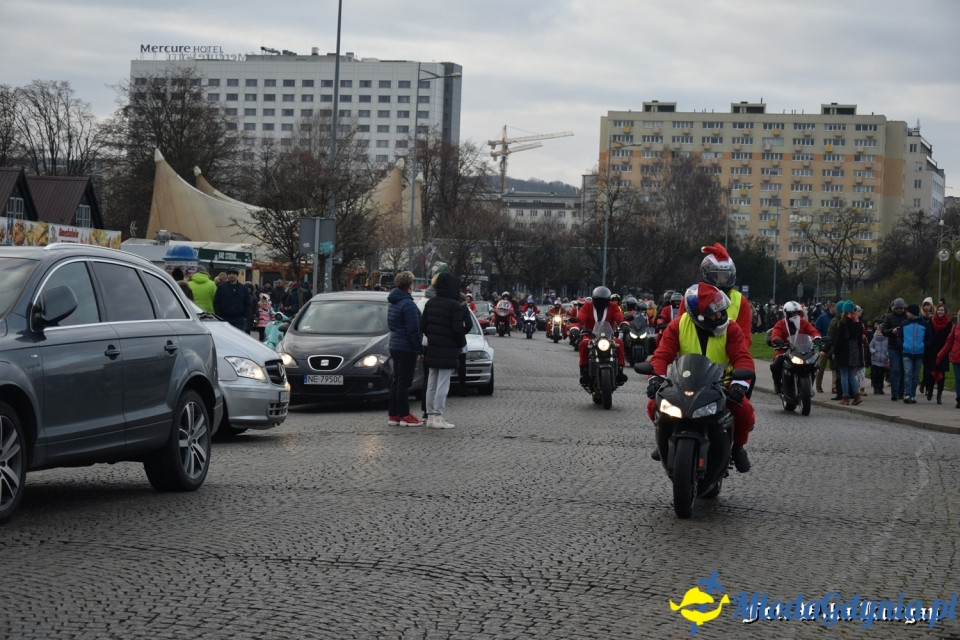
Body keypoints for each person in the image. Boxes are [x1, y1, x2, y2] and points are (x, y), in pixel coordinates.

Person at [647, 283, 755, 472]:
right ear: (698, 315)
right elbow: (662, 355)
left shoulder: (731, 328)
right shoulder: (678, 325)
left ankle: (738, 447)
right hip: (684, 381)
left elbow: (742, 357)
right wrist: (656, 378)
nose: (720, 316)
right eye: (714, 313)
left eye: (721, 311)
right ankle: (663, 438)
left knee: (744, 411)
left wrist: (739, 385)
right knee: (653, 405)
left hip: (721, 383)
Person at [678, 243, 752, 347]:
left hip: (726, 360)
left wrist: (738, 355)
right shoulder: (691, 297)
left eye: (726, 277)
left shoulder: (741, 301)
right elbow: (679, 328)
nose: (722, 281)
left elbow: (745, 337)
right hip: (692, 359)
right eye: (716, 276)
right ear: (706, 275)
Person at [420, 271, 468, 429]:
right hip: (448, 349)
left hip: (433, 347)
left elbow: (423, 326)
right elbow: (458, 330)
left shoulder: (431, 302)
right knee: (443, 383)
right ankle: (439, 416)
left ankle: (431, 416)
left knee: (431, 383)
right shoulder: (453, 305)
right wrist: (459, 343)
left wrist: (433, 336)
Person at [387, 271, 424, 427]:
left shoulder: (394, 302)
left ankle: (394, 414)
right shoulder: (408, 304)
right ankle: (404, 414)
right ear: (410, 285)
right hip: (406, 347)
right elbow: (413, 329)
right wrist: (419, 350)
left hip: (395, 344)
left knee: (396, 381)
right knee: (404, 382)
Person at [576, 286, 627, 387]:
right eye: (598, 300)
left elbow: (619, 316)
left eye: (603, 301)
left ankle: (620, 371)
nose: (601, 303)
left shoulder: (613, 306)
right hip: (590, 335)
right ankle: (585, 372)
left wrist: (624, 324)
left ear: (608, 300)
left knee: (619, 343)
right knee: (583, 344)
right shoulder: (587, 306)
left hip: (608, 335)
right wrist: (575, 328)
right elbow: (580, 318)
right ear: (594, 299)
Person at [769, 300, 821, 395]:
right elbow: (775, 333)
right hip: (785, 350)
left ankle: (809, 385)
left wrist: (817, 338)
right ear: (787, 314)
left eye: (797, 313)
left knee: (814, 365)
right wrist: (777, 340)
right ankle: (777, 385)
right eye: (792, 313)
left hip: (802, 350)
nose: (795, 315)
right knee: (775, 365)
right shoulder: (780, 324)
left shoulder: (803, 323)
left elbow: (812, 330)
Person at [831, 301, 866, 405]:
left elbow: (839, 339)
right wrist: (859, 351)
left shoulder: (843, 323)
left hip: (844, 350)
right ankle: (857, 395)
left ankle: (845, 397)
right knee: (852, 375)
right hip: (854, 349)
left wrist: (835, 351)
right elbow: (860, 339)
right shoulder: (858, 322)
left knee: (844, 374)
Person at [900, 303, 929, 404]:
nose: (906, 313)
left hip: (919, 352)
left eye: (908, 311)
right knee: (908, 373)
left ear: (912, 313)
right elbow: (899, 337)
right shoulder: (904, 324)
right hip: (907, 352)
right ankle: (907, 394)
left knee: (915, 375)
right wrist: (903, 344)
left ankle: (912, 394)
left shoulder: (924, 324)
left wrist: (923, 345)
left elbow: (929, 337)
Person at [922, 302, 951, 403]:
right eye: (938, 310)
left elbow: (949, 337)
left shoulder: (949, 323)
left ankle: (939, 395)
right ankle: (929, 390)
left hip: (943, 350)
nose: (940, 312)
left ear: (945, 312)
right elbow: (928, 334)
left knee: (941, 374)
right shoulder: (931, 321)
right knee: (931, 373)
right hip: (932, 350)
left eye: (942, 310)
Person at [881, 298, 908, 401]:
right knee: (895, 369)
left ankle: (901, 392)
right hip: (893, 346)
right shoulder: (889, 317)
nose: (899, 310)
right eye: (897, 308)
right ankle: (894, 392)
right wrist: (892, 331)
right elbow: (883, 331)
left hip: (904, 346)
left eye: (901, 308)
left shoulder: (906, 317)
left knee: (903, 370)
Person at [936, 309, 960, 408]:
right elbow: (948, 343)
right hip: (956, 358)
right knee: (958, 380)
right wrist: (940, 355)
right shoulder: (955, 328)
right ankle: (959, 399)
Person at [813, 300, 836, 394]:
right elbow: (816, 330)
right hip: (824, 345)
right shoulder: (822, 318)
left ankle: (834, 386)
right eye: (835, 308)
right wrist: (819, 340)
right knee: (821, 367)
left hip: (833, 346)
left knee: (834, 367)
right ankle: (818, 385)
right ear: (831, 308)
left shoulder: (837, 318)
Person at [868, 318, 889, 396]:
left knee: (881, 375)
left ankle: (880, 388)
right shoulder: (874, 339)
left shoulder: (886, 339)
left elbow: (888, 348)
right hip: (875, 359)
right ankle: (875, 388)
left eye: (880, 330)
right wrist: (873, 352)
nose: (878, 331)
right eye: (877, 330)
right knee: (876, 374)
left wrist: (887, 354)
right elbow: (870, 346)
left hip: (883, 359)